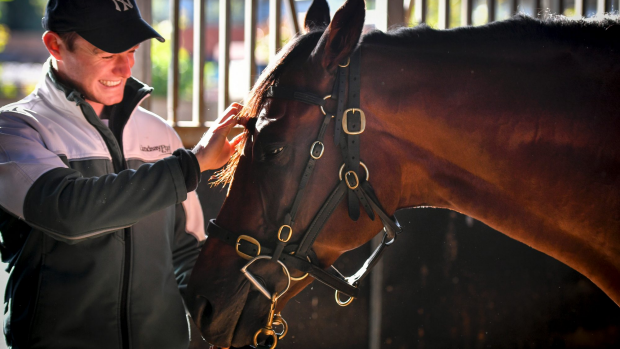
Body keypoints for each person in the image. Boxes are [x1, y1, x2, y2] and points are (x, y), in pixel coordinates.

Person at [0, 0, 242, 348]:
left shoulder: (160, 134)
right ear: (55, 45)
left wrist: (229, 313)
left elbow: (186, 250)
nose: (126, 68)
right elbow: (69, 212)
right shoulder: (15, 130)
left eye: (131, 50)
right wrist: (193, 163)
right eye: (106, 53)